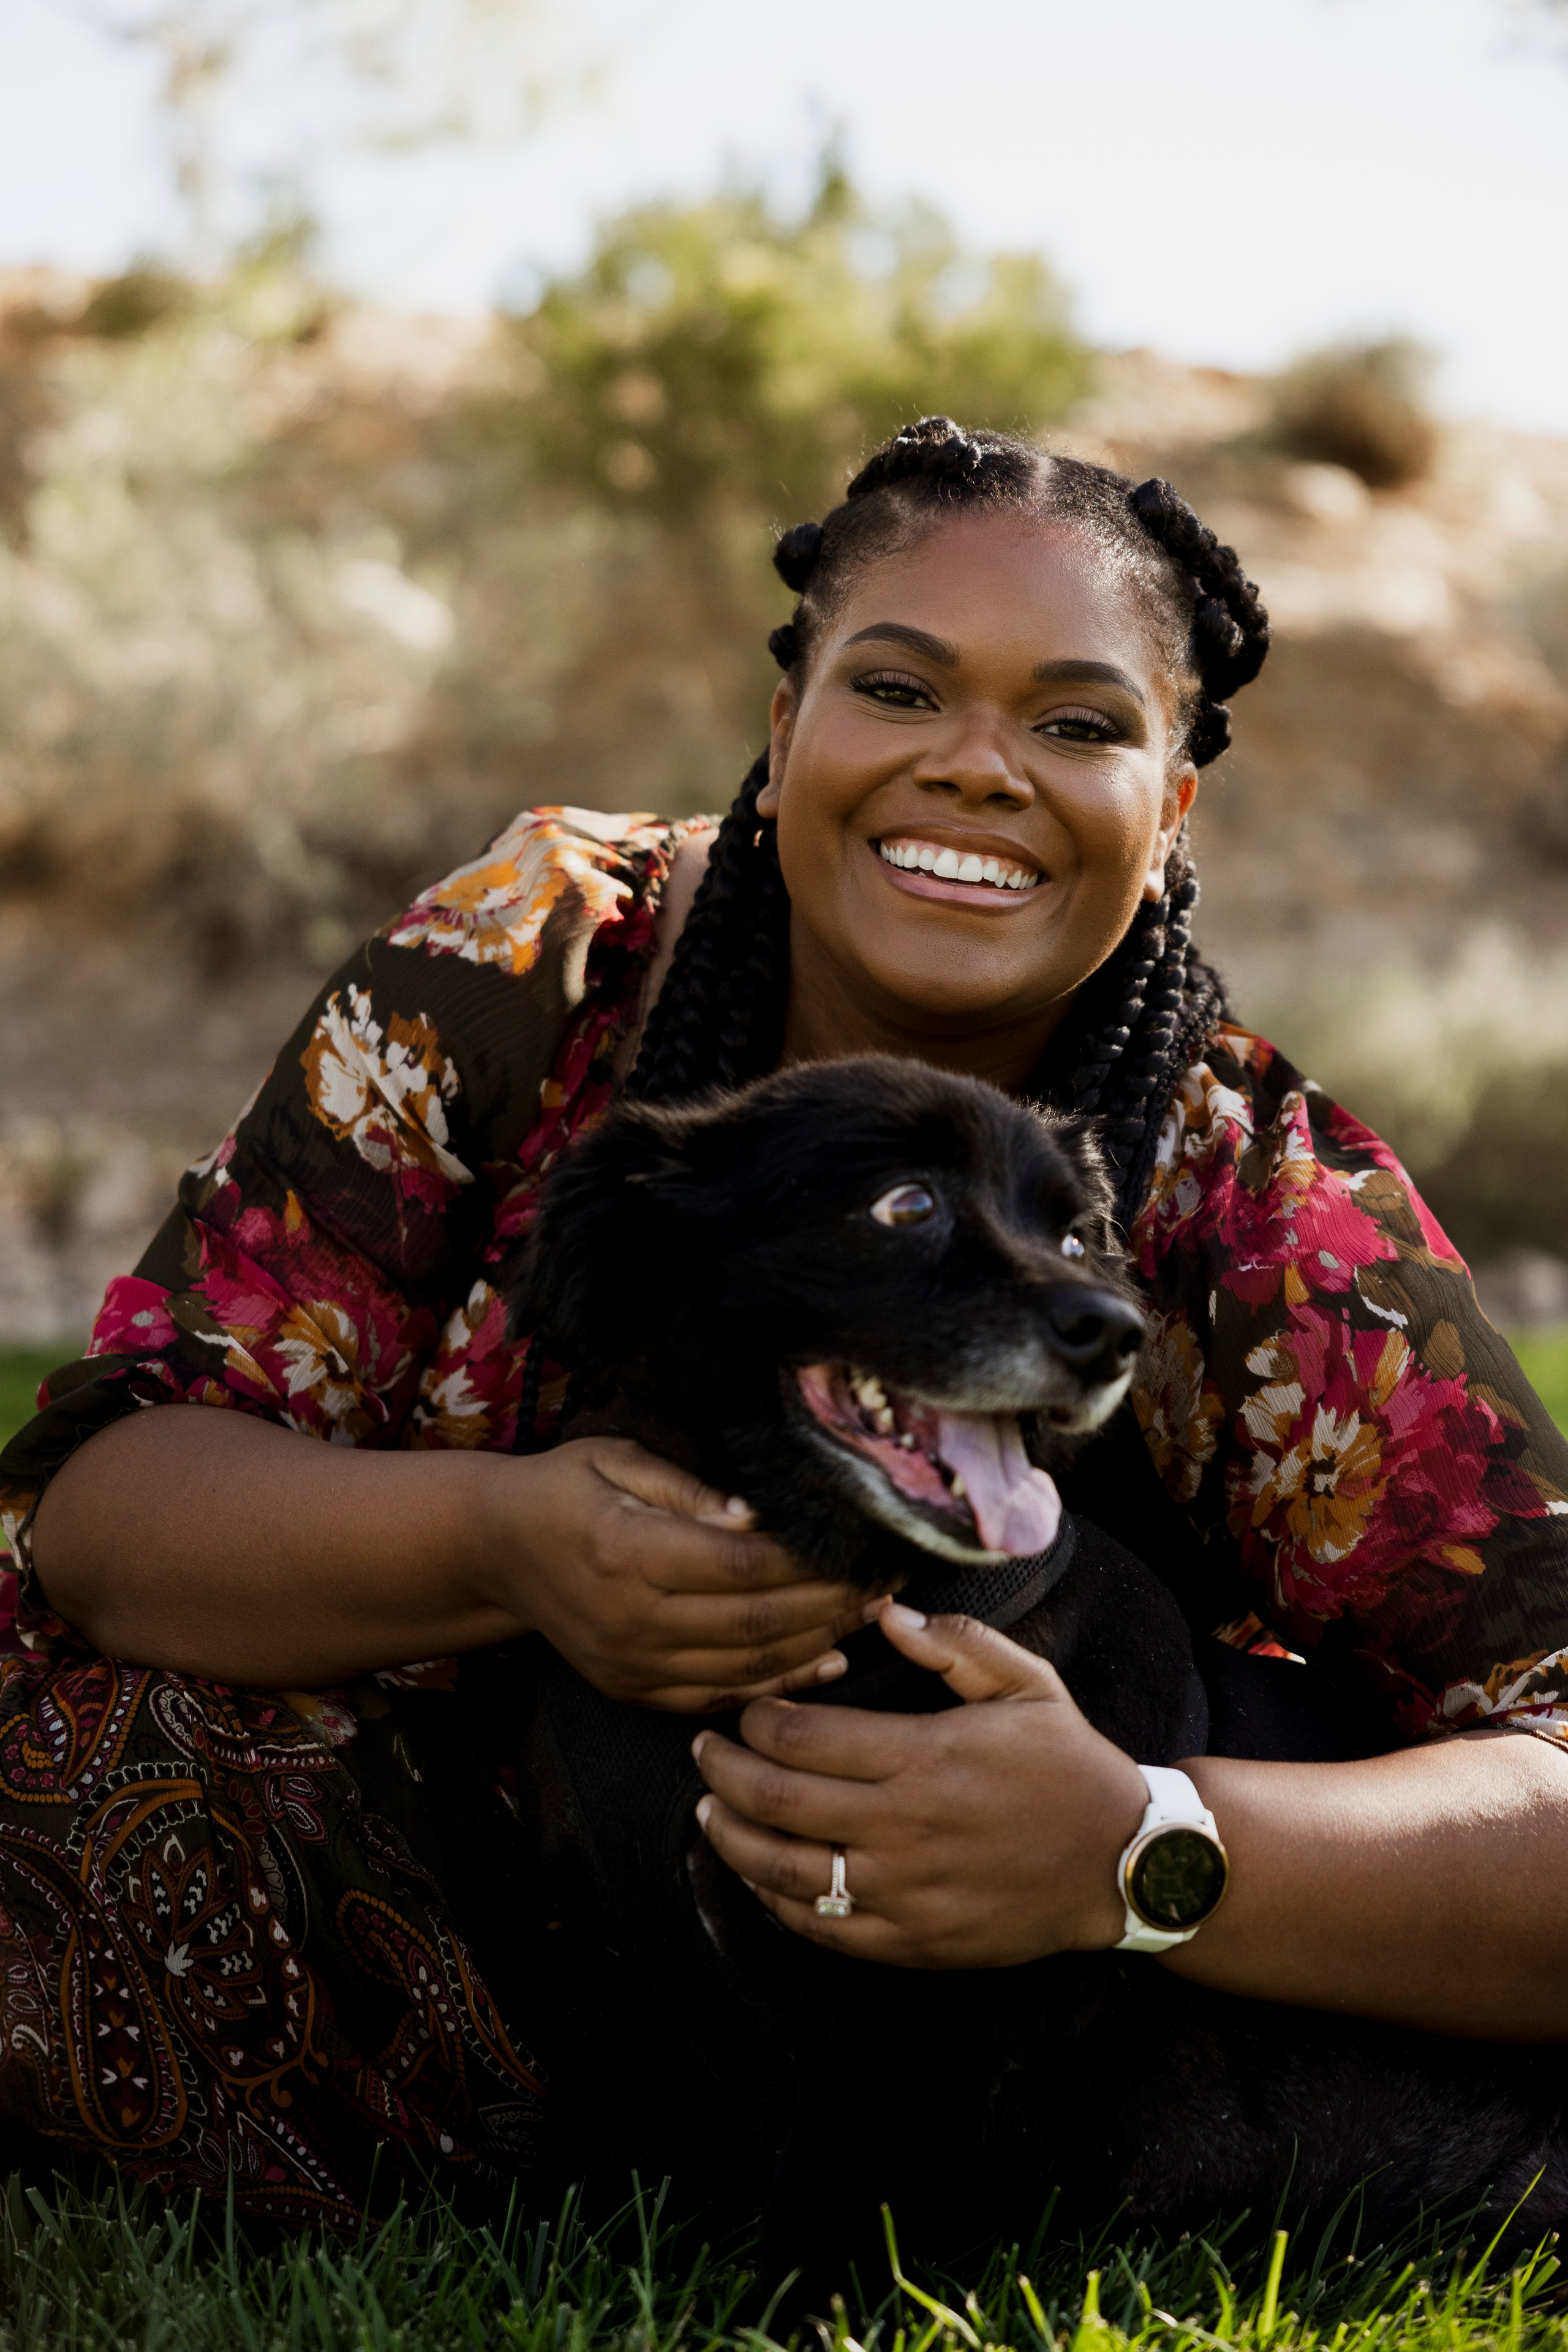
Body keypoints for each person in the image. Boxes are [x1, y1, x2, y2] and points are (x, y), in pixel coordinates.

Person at [3, 417, 1568, 2234]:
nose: (979, 769)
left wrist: (1137, 1847)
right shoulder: (545, 960)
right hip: (433, 1878)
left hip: (982, 2004)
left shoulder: (1254, 1200)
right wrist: (513, 1544)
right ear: (784, 727)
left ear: (1173, 811)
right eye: (900, 688)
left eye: (1078, 723)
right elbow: (104, 1512)